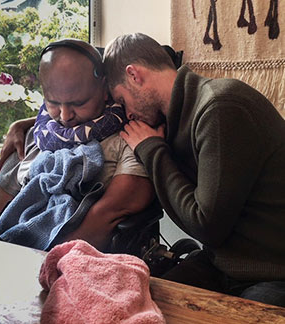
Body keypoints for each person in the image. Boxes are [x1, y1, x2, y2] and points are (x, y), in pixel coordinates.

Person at [103, 32, 285, 306]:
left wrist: (151, 150)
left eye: (122, 100)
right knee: (135, 304)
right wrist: (28, 123)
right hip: (222, 263)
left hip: (271, 273)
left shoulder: (220, 107)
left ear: (134, 75)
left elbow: (206, 225)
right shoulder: (179, 117)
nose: (127, 114)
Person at [0, 39, 154, 251]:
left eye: (79, 103)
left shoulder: (130, 139)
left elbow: (100, 222)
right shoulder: (34, 135)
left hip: (66, 261)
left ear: (104, 89)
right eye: (53, 103)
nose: (65, 117)